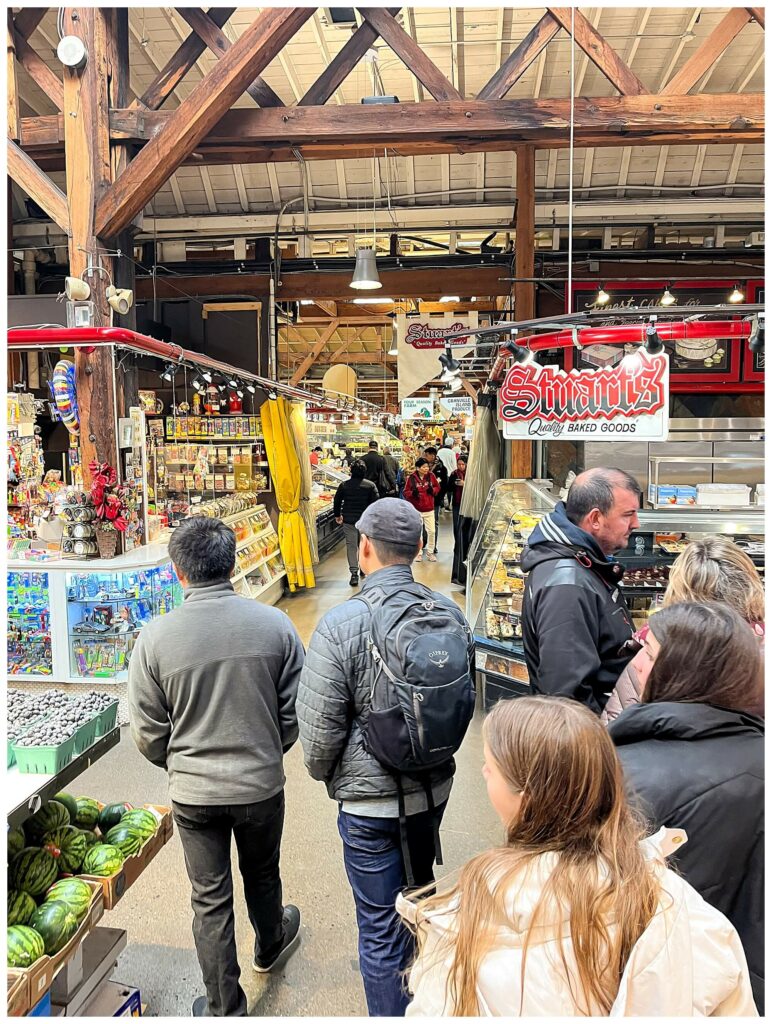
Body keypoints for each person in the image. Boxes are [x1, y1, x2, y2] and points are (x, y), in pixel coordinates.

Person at [402, 695, 757, 1017]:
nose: (481, 773)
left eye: (490, 767)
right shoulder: (680, 905)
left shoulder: (472, 918)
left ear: (526, 797)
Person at [297, 499, 471, 1017]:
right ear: (420, 548)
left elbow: (319, 734)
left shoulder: (341, 623)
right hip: (434, 788)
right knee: (419, 904)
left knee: (379, 927)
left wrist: (337, 780)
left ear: (365, 547)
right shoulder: (450, 613)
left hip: (368, 806)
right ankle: (426, 999)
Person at [128, 517, 305, 1017]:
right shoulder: (276, 626)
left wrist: (179, 761)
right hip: (261, 785)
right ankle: (270, 943)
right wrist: (270, 749)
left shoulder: (155, 638)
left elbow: (146, 729)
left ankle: (224, 1006)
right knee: (262, 871)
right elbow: (296, 710)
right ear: (230, 564)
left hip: (193, 795)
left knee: (209, 898)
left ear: (177, 572)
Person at [609, 600, 764, 1013]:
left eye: (651, 653)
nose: (638, 664)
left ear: (684, 673)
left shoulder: (624, 773)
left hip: (664, 987)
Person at [603, 535, 766, 723]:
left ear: (677, 592)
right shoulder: (760, 657)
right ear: (750, 584)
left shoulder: (650, 652)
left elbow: (615, 732)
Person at [521, 467, 640, 713]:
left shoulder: (584, 565)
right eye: (628, 515)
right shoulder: (568, 588)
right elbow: (568, 701)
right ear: (595, 519)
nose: (636, 524)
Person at [334, 458, 378, 586]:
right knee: (364, 546)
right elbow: (375, 503)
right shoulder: (370, 486)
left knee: (351, 546)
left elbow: (337, 501)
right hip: (365, 521)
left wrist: (338, 515)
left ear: (352, 471)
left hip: (349, 520)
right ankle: (364, 569)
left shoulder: (344, 485)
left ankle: (354, 573)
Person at [403, 458, 440, 562]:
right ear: (418, 468)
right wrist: (412, 494)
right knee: (418, 532)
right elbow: (406, 492)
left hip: (429, 509)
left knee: (432, 531)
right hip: (416, 509)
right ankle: (418, 553)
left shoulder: (431, 476)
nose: (426, 469)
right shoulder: (412, 478)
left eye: (427, 467)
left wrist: (432, 490)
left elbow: (438, 487)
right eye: (424, 467)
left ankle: (430, 552)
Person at [423, 446, 448, 548]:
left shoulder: (441, 468)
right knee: (424, 522)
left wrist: (439, 497)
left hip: (435, 500)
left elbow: (444, 485)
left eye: (427, 455)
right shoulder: (422, 466)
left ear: (433, 456)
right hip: (423, 500)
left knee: (434, 522)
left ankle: (433, 545)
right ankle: (424, 542)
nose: (425, 456)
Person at [447, 456, 466, 539]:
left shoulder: (470, 474)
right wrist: (454, 484)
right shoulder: (454, 474)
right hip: (457, 502)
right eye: (459, 464)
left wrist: (464, 484)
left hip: (467, 502)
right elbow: (449, 488)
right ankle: (457, 542)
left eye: (463, 464)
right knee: (456, 524)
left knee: (466, 524)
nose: (461, 466)